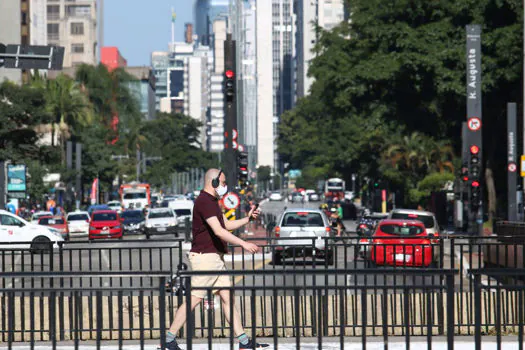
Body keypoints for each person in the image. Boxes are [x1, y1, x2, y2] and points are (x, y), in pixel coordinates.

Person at [162, 169, 269, 350]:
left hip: (215, 259)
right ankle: (169, 339)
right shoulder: (205, 202)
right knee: (194, 299)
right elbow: (219, 232)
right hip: (206, 259)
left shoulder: (211, 202)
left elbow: (225, 225)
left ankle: (244, 342)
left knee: (227, 298)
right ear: (213, 183)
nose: (225, 186)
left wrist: (247, 218)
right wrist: (243, 244)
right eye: (223, 182)